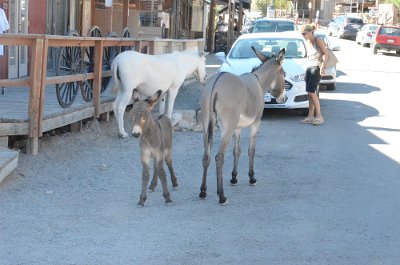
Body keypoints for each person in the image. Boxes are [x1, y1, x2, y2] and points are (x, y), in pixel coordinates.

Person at [300, 24, 328, 126]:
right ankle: (310, 116)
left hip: (316, 67)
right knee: (309, 92)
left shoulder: (318, 40)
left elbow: (325, 53)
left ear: (311, 32)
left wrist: (322, 67)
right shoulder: (307, 42)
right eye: (302, 34)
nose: (303, 36)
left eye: (305, 34)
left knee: (312, 91)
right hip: (309, 67)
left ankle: (319, 116)